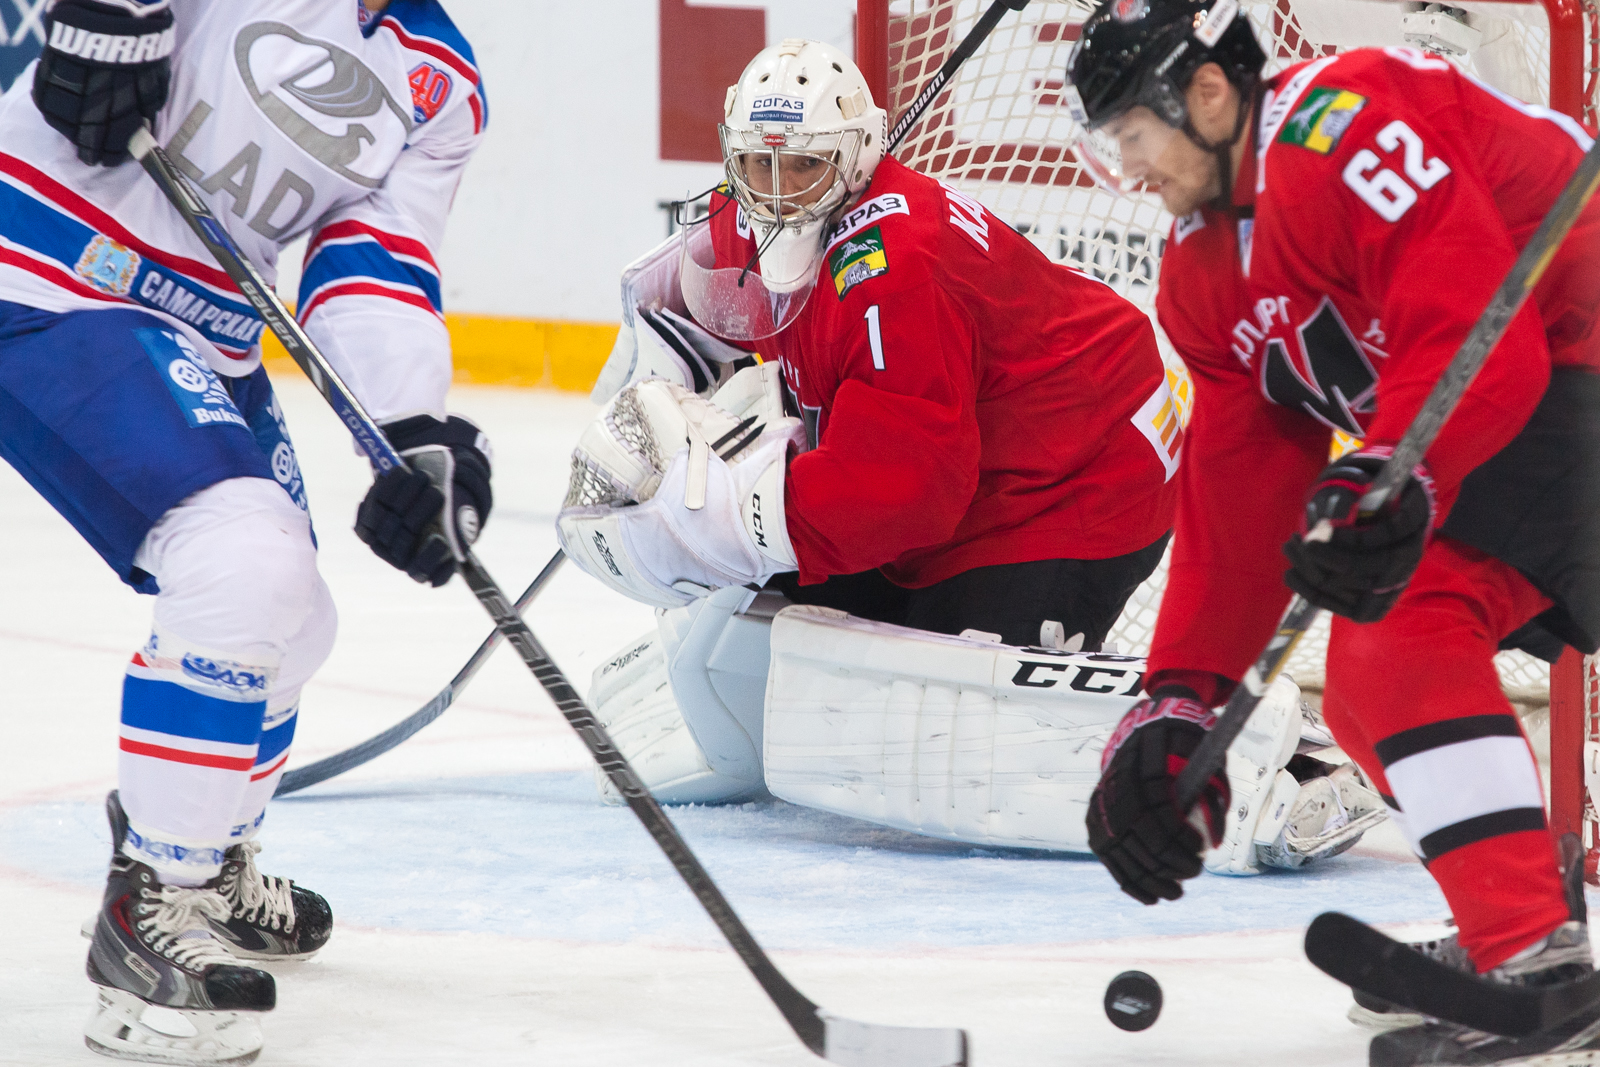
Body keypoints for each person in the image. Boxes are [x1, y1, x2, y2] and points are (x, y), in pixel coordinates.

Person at [555, 39, 1384, 866]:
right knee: (803, 622)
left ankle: (1280, 751)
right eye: (756, 168)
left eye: (801, 169)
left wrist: (740, 523)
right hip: (980, 455)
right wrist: (649, 394)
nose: (775, 195)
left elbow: (907, 490)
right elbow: (664, 299)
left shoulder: (891, 265)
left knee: (950, 695)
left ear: (853, 160)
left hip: (1082, 469)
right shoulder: (745, 217)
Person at [1065, 1, 1600, 1061]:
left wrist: (1389, 467)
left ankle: (1532, 946)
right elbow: (1240, 490)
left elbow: (1475, 325)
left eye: (1132, 132)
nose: (1127, 167)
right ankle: (1527, 940)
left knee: (1396, 632)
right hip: (1533, 417)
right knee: (1375, 664)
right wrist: (1183, 697)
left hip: (1560, 374)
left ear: (1207, 92)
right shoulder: (1202, 274)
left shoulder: (1339, 125)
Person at [1, 0, 492, 1061]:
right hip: (47, 271)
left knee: (294, 617)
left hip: (203, 330)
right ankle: (152, 906)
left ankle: (205, 852)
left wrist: (411, 430)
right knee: (243, 565)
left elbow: (373, 260)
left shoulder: (437, 76)